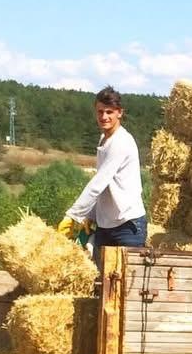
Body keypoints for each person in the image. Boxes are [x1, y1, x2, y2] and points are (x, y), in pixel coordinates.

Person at [57, 85, 146, 269]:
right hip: (106, 226)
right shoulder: (104, 139)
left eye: (109, 112)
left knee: (123, 289)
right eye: (100, 112)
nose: (104, 117)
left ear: (120, 113)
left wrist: (73, 215)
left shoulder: (121, 142)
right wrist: (90, 215)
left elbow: (98, 183)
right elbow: (106, 186)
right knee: (102, 286)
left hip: (127, 226)